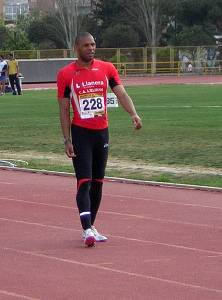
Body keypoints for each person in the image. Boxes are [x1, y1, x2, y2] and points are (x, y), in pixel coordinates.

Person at [57, 32, 142, 247]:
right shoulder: (66, 74)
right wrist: (67, 139)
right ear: (77, 47)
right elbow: (64, 108)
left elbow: (121, 93)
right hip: (80, 133)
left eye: (93, 44)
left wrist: (133, 114)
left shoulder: (107, 69)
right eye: (86, 45)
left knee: (98, 183)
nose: (91, 48)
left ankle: (91, 226)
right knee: (84, 181)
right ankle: (86, 228)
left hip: (102, 132)